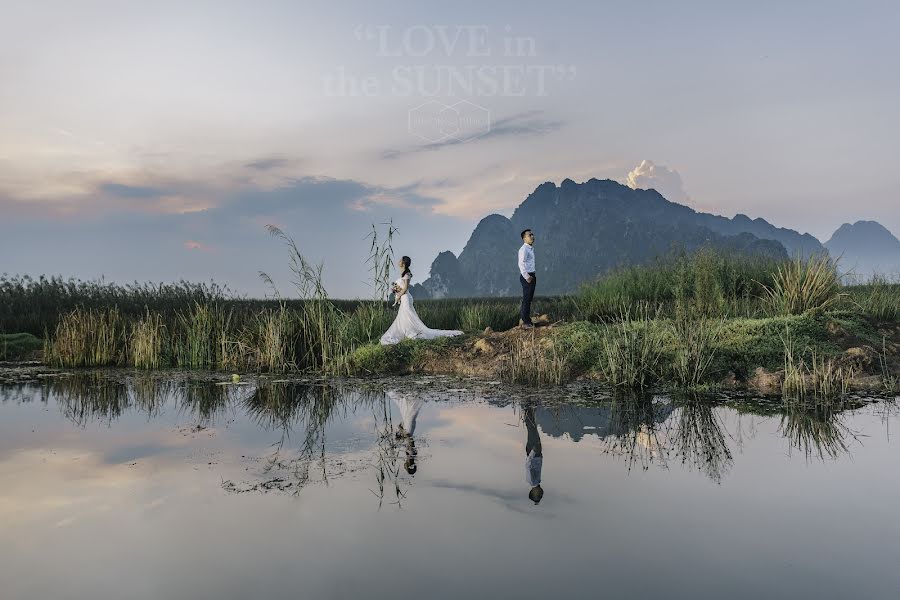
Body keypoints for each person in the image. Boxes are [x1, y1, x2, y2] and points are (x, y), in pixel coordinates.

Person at [380, 256, 463, 345]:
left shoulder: (406, 274)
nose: (399, 261)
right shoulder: (403, 274)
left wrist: (399, 294)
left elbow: (406, 288)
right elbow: (402, 288)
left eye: (400, 260)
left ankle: (411, 332)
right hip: (404, 298)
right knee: (404, 317)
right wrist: (397, 293)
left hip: (406, 298)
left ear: (403, 263)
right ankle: (406, 331)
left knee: (409, 316)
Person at [523, 403, 544, 504]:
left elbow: (528, 465)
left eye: (538, 495)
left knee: (532, 428)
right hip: (537, 452)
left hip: (533, 451)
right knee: (533, 427)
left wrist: (533, 451)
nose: (540, 493)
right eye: (540, 495)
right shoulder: (537, 482)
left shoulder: (532, 481)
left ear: (533, 492)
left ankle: (527, 408)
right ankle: (529, 409)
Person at [518, 229, 537, 329]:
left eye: (532, 234)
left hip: (532, 275)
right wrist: (527, 277)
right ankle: (525, 322)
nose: (532, 236)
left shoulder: (530, 249)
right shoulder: (523, 249)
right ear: (524, 238)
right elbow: (521, 264)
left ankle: (527, 320)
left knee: (528, 299)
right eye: (530, 235)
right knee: (526, 299)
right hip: (527, 276)